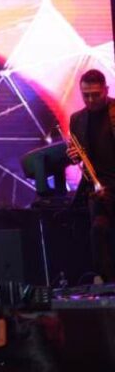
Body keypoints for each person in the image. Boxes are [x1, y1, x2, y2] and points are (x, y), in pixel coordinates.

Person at [66, 69, 115, 283]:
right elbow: (78, 154)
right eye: (86, 95)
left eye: (96, 94)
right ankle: (107, 284)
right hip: (97, 190)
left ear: (106, 89)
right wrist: (73, 156)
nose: (91, 100)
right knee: (98, 231)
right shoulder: (77, 119)